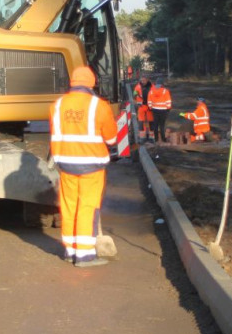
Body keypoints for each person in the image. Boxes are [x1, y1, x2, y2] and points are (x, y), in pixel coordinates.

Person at [49, 66, 118, 268]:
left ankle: (70, 251)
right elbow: (112, 138)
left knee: (70, 206)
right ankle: (85, 255)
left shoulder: (58, 105)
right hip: (91, 166)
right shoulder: (99, 105)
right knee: (88, 207)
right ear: (91, 83)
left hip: (65, 164)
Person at [147, 78, 173, 143]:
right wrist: (168, 108)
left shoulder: (151, 91)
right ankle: (163, 139)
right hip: (163, 110)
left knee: (155, 125)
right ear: (162, 84)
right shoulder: (165, 91)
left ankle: (156, 139)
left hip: (155, 110)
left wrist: (150, 108)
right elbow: (168, 101)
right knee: (162, 125)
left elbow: (149, 101)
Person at [133, 75, 154, 141]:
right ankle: (142, 137)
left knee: (151, 121)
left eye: (143, 80)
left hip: (149, 106)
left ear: (147, 80)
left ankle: (151, 137)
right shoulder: (138, 86)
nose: (142, 82)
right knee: (141, 121)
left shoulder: (152, 86)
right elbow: (134, 93)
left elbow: (154, 94)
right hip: (141, 106)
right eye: (141, 80)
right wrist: (135, 95)